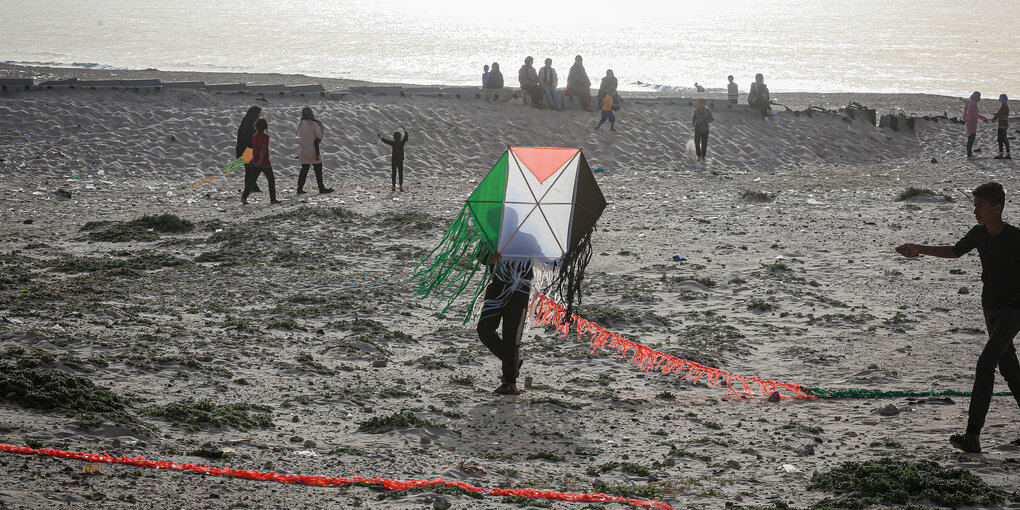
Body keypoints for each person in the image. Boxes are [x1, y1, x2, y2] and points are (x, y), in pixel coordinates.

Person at [895, 182, 1020, 454]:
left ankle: (972, 435)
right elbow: (954, 251)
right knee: (1009, 368)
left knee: (986, 363)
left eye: (979, 206)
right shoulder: (978, 234)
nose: (975, 211)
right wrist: (918, 248)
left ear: (997, 208)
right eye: (973, 205)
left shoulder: (1015, 238)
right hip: (991, 308)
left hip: (1014, 310)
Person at [476, 209, 537, 395]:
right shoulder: (491, 239)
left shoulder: (528, 239)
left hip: (518, 293)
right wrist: (491, 257)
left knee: (511, 338)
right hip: (496, 292)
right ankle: (512, 362)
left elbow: (542, 257)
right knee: (484, 330)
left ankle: (510, 383)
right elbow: (481, 257)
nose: (497, 226)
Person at [241, 118, 280, 205]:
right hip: (264, 162)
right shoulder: (266, 137)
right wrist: (261, 160)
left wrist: (256, 160)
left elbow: (255, 148)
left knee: (252, 180)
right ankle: (273, 199)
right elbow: (263, 148)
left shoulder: (254, 136)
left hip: (255, 160)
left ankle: (244, 197)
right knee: (271, 180)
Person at [296, 107, 333, 195]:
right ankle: (321, 188)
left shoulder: (301, 123)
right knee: (318, 169)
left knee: (304, 170)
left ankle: (299, 188)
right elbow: (320, 136)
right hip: (313, 150)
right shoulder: (313, 124)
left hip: (303, 150)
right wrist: (321, 127)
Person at [235, 106, 263, 193]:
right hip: (249, 149)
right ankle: (251, 187)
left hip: (244, 148)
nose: (260, 114)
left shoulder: (245, 121)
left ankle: (252, 186)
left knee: (249, 168)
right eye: (259, 112)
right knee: (251, 169)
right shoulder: (253, 123)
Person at [378, 126, 408, 191]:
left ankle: (393, 186)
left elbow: (386, 141)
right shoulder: (401, 143)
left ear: (394, 137)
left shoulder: (393, 143)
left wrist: (381, 137)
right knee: (400, 173)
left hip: (394, 159)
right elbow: (406, 138)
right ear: (400, 137)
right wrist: (405, 130)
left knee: (394, 173)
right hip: (400, 160)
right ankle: (400, 186)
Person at [962, 92, 990, 160]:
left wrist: (961, 98)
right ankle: (969, 155)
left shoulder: (969, 102)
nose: (979, 98)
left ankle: (969, 154)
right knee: (971, 139)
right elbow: (975, 115)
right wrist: (984, 118)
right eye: (979, 96)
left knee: (970, 138)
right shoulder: (974, 104)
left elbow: (965, 101)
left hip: (968, 122)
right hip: (972, 123)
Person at [991, 94, 1011, 160]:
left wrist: (994, 118)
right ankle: (1008, 154)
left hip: (1002, 125)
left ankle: (1001, 154)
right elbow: (1001, 113)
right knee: (1004, 139)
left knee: (1000, 140)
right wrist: (996, 115)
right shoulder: (1005, 105)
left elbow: (999, 113)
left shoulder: (1004, 105)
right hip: (1004, 125)